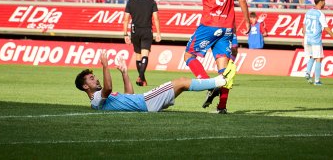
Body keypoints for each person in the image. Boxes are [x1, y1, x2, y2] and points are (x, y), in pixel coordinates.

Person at [152, 0, 250, 114]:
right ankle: (222, 107)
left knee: (189, 56)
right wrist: (247, 21)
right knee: (224, 70)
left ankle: (207, 84)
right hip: (226, 28)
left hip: (209, 24)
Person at [75, 51, 236, 112]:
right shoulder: (96, 100)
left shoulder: (101, 100)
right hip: (146, 101)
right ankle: (218, 81)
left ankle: (215, 85)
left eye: (94, 76)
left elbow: (129, 95)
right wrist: (105, 65)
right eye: (91, 79)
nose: (95, 79)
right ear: (84, 86)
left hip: (144, 102)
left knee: (182, 85)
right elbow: (108, 88)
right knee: (181, 81)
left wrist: (124, 73)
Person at [123, 0, 161, 86]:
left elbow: (126, 19)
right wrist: (158, 33)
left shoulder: (130, 2)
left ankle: (142, 80)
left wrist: (125, 34)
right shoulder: (152, 2)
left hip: (134, 31)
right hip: (146, 30)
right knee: (145, 54)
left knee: (138, 55)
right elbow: (156, 18)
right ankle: (141, 76)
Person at [303, 0, 333, 86]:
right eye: (324, 1)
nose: (324, 3)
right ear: (321, 2)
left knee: (312, 56)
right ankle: (317, 81)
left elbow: (303, 26)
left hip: (307, 38)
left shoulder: (308, 12)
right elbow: (326, 28)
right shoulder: (320, 14)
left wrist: (303, 37)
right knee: (319, 58)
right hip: (315, 39)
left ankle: (307, 72)